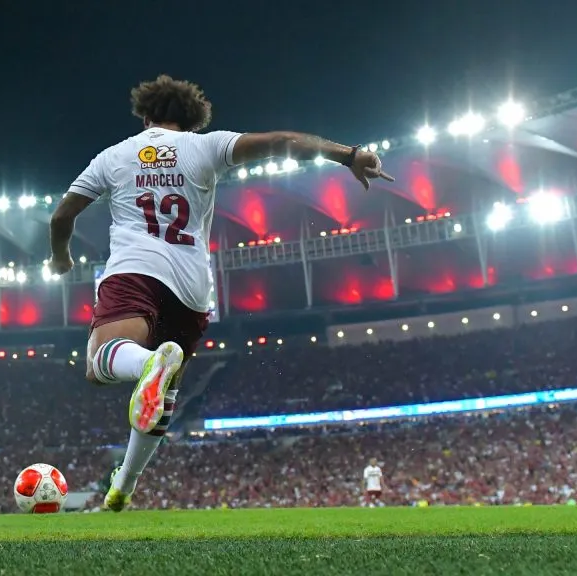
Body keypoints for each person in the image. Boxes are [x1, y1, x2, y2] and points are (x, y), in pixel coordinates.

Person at [47, 75, 394, 511]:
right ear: (192, 118)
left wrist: (60, 258)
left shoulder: (114, 157)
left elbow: (62, 218)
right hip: (192, 287)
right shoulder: (207, 146)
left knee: (102, 361)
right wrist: (349, 155)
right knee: (164, 389)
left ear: (145, 114)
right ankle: (123, 488)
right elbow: (282, 140)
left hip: (136, 269)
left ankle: (148, 364)